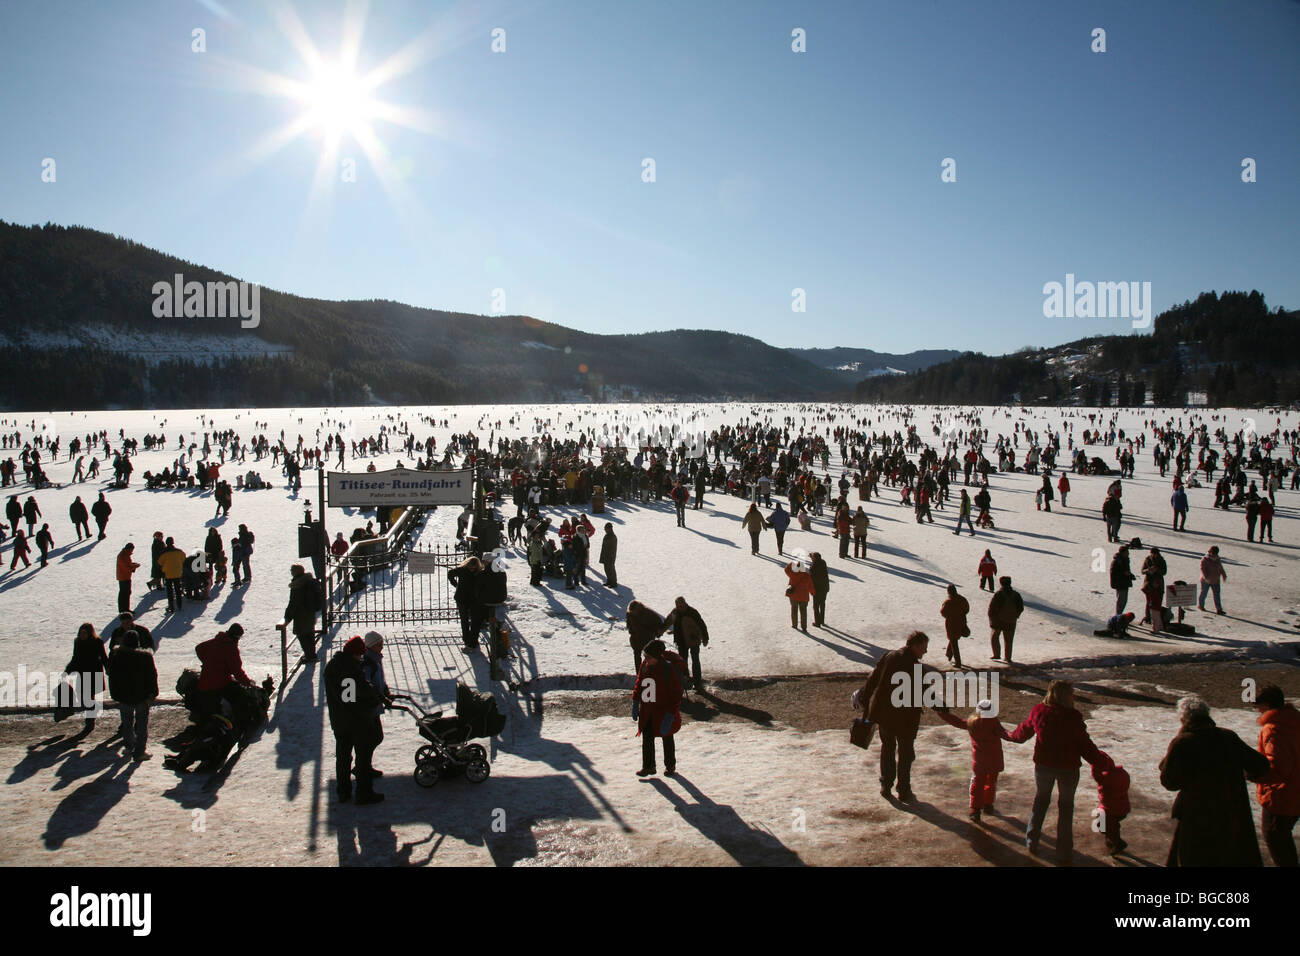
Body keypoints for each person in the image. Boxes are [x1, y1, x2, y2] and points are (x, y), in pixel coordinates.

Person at [1159, 694, 1270, 866]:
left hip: (1197, 817)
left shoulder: (1183, 742)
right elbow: (1260, 764)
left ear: (1183, 719)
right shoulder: (1228, 737)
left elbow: (1169, 782)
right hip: (1232, 813)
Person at [1006, 680, 1104, 864]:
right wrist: (1102, 762)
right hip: (1068, 769)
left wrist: (1009, 735)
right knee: (1066, 808)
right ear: (1066, 696)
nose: (1074, 696)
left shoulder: (1039, 711)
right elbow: (1085, 746)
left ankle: (1031, 841)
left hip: (1044, 766)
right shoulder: (1073, 717)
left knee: (1041, 801)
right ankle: (1064, 852)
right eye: (1072, 693)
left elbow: (1023, 732)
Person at [859, 631, 934, 802]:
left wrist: (865, 699)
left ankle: (886, 785)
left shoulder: (889, 656)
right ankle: (904, 789)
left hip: (885, 715)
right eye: (924, 648)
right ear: (914, 646)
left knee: (888, 749)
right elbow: (927, 695)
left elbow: (873, 679)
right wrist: (943, 708)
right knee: (906, 752)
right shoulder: (917, 668)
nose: (925, 652)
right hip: (906, 718)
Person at [324, 636, 384, 804]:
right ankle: (364, 793)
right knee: (362, 759)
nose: (361, 658)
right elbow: (349, 698)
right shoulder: (348, 670)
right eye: (360, 655)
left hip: (339, 721)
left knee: (343, 758)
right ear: (354, 653)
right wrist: (372, 699)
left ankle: (343, 791)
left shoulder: (334, 666)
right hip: (355, 722)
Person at [936, 698, 1008, 822]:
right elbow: (1007, 734)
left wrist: (942, 713)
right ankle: (988, 805)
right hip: (995, 760)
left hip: (980, 762)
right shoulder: (995, 723)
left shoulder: (972, 723)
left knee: (977, 784)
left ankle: (975, 810)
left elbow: (957, 722)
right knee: (991, 782)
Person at [1253, 685, 1300, 867]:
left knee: (1275, 837)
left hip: (1281, 796)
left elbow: (1277, 768)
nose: (1257, 709)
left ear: (1266, 705)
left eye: (1259, 705)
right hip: (1296, 790)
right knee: (1282, 836)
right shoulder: (1295, 720)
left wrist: (1255, 774)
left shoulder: (1273, 729)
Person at [631, 639, 686, 777]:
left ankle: (670, 765)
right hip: (647, 709)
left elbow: (676, 693)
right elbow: (639, 682)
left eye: (649, 657)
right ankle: (648, 767)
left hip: (664, 710)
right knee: (647, 737)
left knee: (667, 737)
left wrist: (671, 713)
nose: (646, 659)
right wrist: (635, 701)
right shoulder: (645, 665)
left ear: (657, 656)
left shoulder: (667, 669)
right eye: (645, 656)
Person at [107, 629, 158, 762]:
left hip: (124, 696)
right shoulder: (145, 657)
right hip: (142, 696)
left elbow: (112, 677)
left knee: (127, 723)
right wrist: (153, 694)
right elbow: (152, 676)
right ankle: (140, 751)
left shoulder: (116, 656)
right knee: (142, 725)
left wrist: (115, 694)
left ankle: (129, 747)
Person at [57, 623, 108, 731]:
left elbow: (103, 657)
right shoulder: (78, 642)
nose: (82, 635)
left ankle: (90, 721)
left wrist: (109, 668)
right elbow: (75, 658)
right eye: (81, 633)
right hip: (83, 673)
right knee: (85, 698)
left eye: (85, 633)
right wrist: (67, 671)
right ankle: (90, 719)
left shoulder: (97, 642)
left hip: (94, 673)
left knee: (89, 698)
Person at [360, 631, 393, 784]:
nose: (382, 647)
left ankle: (364, 765)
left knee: (374, 737)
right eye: (379, 644)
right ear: (372, 646)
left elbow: (380, 679)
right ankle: (363, 766)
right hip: (369, 706)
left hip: (375, 703)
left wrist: (385, 691)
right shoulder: (368, 663)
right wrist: (379, 696)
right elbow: (367, 684)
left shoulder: (375, 659)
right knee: (373, 737)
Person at [663, 596, 709, 691]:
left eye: (681, 605)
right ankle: (686, 681)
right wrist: (660, 631)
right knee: (682, 662)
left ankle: (697, 683)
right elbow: (668, 622)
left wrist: (705, 638)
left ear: (685, 603)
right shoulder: (675, 613)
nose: (680, 607)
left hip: (693, 640)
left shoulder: (692, 612)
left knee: (695, 661)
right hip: (681, 641)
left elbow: (701, 625)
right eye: (678, 605)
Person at [279, 564, 322, 661]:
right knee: (309, 633)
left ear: (296, 572)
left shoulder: (298, 585)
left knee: (302, 635)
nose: (291, 572)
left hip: (301, 614)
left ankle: (310, 656)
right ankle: (312, 655)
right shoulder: (308, 581)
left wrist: (288, 615)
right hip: (310, 612)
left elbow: (293, 602)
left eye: (292, 570)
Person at [1091, 752, 1131, 855]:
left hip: (1111, 810)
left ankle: (1118, 843)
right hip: (1123, 808)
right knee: (1111, 824)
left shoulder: (1105, 779)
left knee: (1102, 825)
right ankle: (1111, 840)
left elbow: (1097, 777)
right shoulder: (1122, 773)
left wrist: (1093, 764)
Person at [987, 575, 1024, 663]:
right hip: (1011, 620)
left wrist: (992, 618)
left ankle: (996, 654)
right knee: (1009, 640)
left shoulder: (999, 594)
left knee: (995, 636)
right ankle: (1008, 657)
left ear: (1001, 583)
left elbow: (992, 607)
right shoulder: (1016, 594)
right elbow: (1021, 607)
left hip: (998, 620)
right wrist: (1016, 615)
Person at [626, 600, 667, 672]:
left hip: (648, 639)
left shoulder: (648, 613)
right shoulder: (630, 614)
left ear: (637, 609)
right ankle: (639, 673)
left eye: (634, 611)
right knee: (637, 656)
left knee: (649, 656)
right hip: (636, 639)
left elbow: (659, 623)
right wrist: (632, 633)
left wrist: (654, 632)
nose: (633, 613)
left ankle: (649, 672)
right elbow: (629, 625)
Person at [940, 583, 970, 667]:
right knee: (954, 639)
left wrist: (950, 616)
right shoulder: (962, 599)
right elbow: (967, 609)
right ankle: (948, 654)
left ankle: (958, 662)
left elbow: (943, 612)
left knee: (953, 641)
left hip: (951, 624)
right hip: (961, 622)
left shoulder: (948, 602)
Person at [1140, 545, 1167, 630]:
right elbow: (1142, 571)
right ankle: (1148, 617)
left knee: (1158, 602)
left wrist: (1157, 570)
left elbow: (1164, 572)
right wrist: (1149, 570)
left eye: (1154, 554)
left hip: (1159, 584)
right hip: (1149, 584)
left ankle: (1157, 620)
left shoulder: (1162, 561)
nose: (1152, 556)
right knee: (1149, 602)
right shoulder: (1147, 560)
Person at [784, 558, 813, 631]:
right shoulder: (807, 576)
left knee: (794, 610)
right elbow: (810, 586)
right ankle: (804, 627)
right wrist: (813, 593)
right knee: (803, 612)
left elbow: (786, 569)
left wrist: (793, 562)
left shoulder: (792, 574)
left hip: (794, 595)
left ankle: (794, 625)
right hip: (804, 596)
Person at [158, 536, 186, 612]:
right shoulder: (179, 551)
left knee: (170, 591)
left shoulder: (164, 552)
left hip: (168, 574)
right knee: (177, 590)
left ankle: (171, 606)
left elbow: (160, 562)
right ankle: (179, 605)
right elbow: (183, 559)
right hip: (177, 573)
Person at [1109, 542, 1137, 617]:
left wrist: (1131, 576)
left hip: (1124, 582)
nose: (1128, 554)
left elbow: (1126, 571)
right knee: (1121, 600)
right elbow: (1114, 572)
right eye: (1127, 552)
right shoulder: (1117, 561)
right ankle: (1118, 616)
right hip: (1120, 583)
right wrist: (1124, 574)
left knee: (1123, 601)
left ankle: (1119, 615)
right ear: (1123, 553)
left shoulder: (1124, 560)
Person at [1198, 545, 1227, 614]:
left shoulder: (1218, 559)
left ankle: (1219, 609)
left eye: (1216, 554)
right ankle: (1201, 605)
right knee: (1204, 593)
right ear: (1210, 552)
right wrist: (1206, 577)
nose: (1214, 555)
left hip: (1216, 580)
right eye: (1213, 554)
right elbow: (1202, 569)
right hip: (1206, 581)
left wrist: (1223, 574)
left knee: (1217, 595)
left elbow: (1220, 567)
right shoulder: (1205, 559)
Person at [115, 542, 139, 613]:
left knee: (126, 593)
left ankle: (124, 609)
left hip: (125, 576)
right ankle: (124, 609)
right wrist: (134, 566)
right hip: (124, 577)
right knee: (124, 593)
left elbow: (127, 565)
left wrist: (133, 565)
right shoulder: (123, 556)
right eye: (132, 550)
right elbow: (126, 567)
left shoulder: (125, 555)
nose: (132, 552)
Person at [809, 552, 830, 628]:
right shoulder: (823, 562)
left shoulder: (813, 566)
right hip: (825, 587)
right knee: (822, 604)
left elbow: (810, 577)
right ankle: (822, 620)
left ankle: (817, 622)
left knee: (816, 606)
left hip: (817, 589)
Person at [598, 522, 618, 589]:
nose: (605, 529)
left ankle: (614, 582)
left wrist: (609, 556)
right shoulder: (607, 535)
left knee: (611, 569)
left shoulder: (612, 536)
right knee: (606, 569)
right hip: (605, 555)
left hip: (610, 556)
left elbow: (611, 548)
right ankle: (609, 580)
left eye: (605, 528)